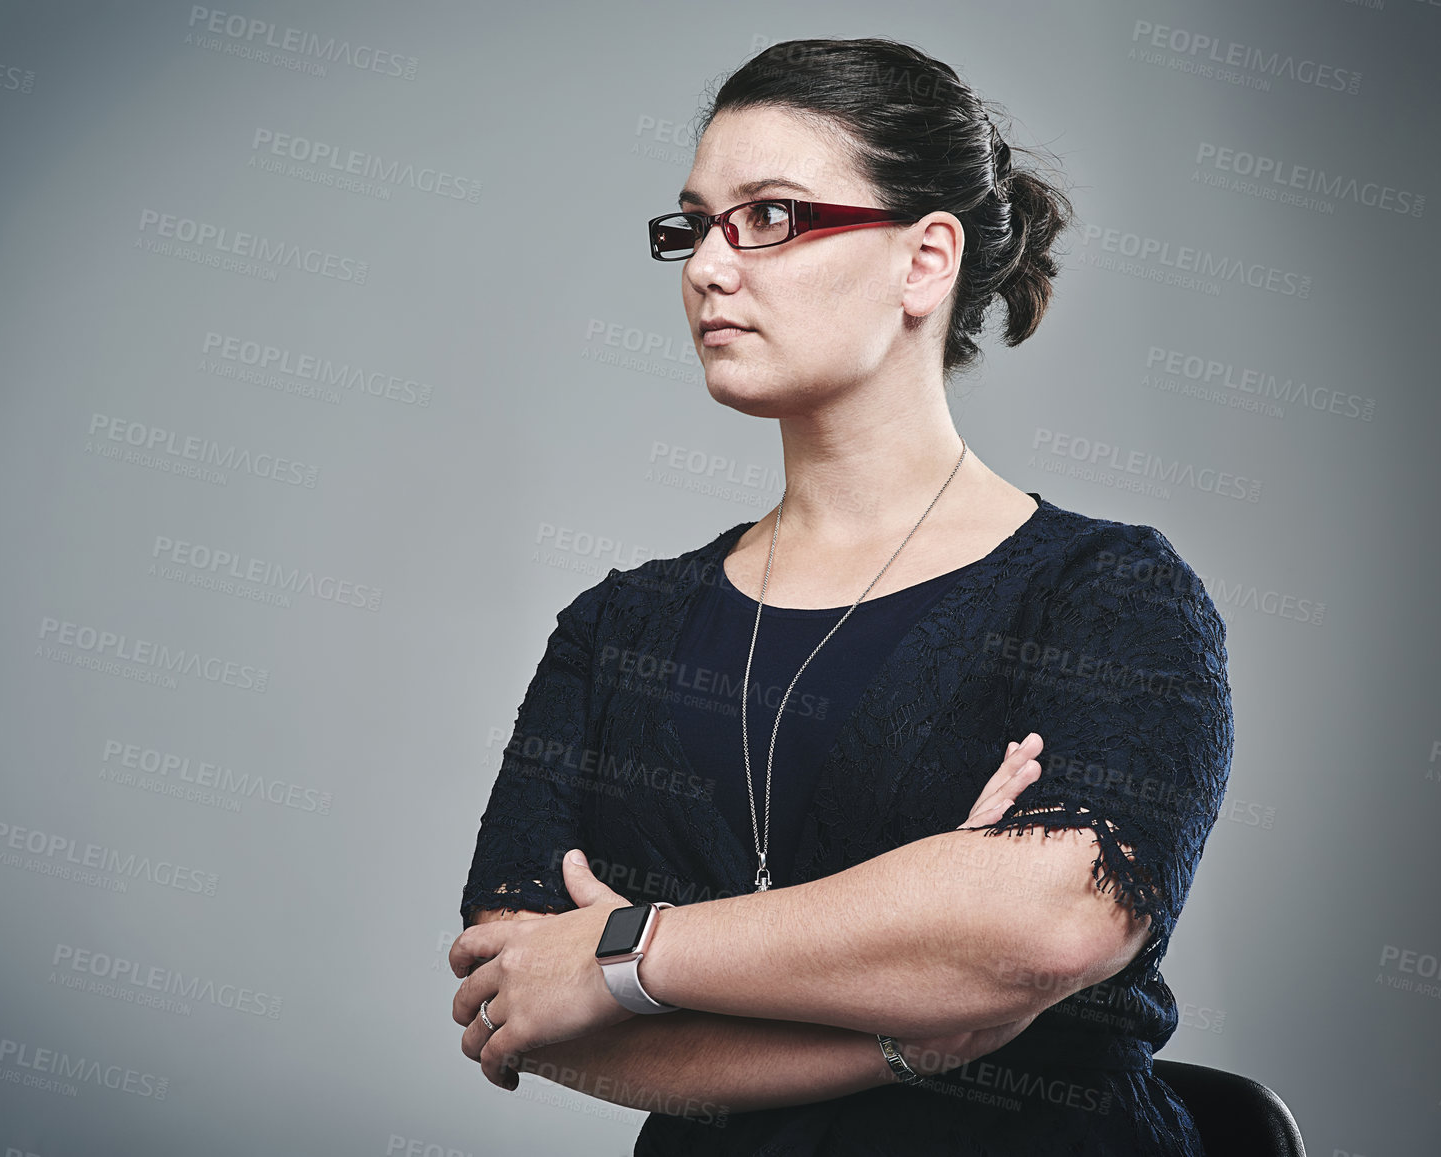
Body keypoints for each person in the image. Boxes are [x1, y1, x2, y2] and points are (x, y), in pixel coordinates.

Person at [451, 37, 1233, 1156]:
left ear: (925, 260)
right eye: (694, 225)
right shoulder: (615, 627)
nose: (709, 269)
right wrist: (911, 1019)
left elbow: (1047, 922)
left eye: (768, 217)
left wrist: (624, 952)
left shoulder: (1106, 595)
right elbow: (513, 993)